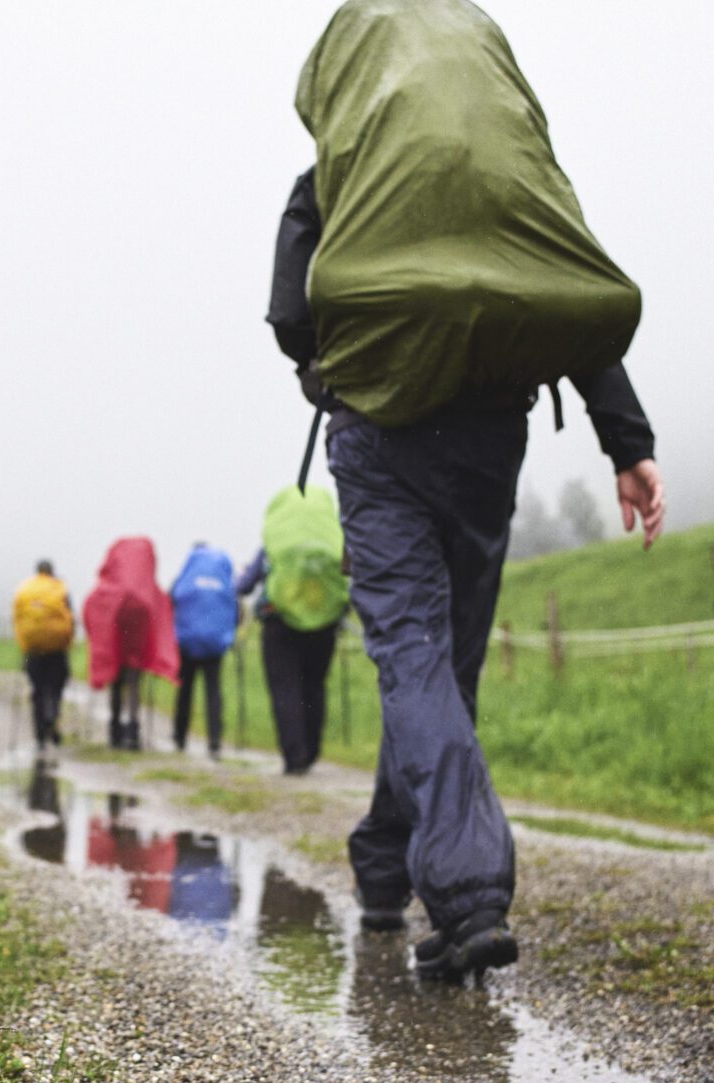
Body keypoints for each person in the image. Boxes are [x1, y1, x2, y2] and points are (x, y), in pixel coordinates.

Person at [280, 0, 668, 982]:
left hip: (377, 435)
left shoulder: (343, 172)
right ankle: (382, 865)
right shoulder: (505, 171)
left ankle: (466, 890)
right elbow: (556, 289)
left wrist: (328, 360)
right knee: (441, 668)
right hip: (489, 435)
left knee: (413, 659)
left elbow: (291, 312)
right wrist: (626, 439)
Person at [235, 487, 347, 776]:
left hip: (278, 621)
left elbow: (245, 584)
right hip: (325, 621)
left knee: (285, 688)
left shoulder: (275, 543)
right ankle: (311, 752)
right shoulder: (331, 537)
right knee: (314, 684)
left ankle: (294, 757)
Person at [83, 538, 180, 750]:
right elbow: (164, 617)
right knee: (134, 680)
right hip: (139, 629)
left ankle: (115, 730)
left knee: (116, 680)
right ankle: (133, 730)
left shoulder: (107, 590)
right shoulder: (150, 593)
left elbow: (91, 613)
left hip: (116, 630)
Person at [169, 542, 238, 757]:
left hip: (187, 641)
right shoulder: (220, 574)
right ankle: (215, 741)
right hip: (214, 643)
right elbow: (234, 604)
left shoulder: (188, 572)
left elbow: (173, 597)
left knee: (185, 688)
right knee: (213, 689)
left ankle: (180, 738)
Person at [13, 560, 75, 749]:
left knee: (38, 689)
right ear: (52, 571)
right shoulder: (59, 588)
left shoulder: (25, 589)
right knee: (56, 687)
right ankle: (52, 716)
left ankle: (40, 734)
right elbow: (70, 617)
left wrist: (24, 644)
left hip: (33, 650)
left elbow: (18, 618)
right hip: (57, 649)